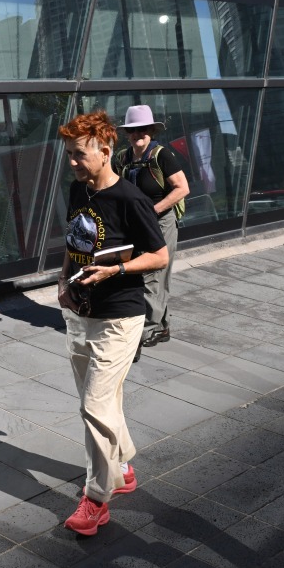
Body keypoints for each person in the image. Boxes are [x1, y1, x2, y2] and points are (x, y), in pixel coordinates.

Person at [57, 110, 168, 536]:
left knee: (93, 406)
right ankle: (122, 468)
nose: (72, 163)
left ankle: (97, 499)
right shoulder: (78, 190)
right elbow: (73, 239)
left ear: (105, 151)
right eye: (68, 155)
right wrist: (62, 280)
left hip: (119, 317)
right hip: (80, 313)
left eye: (78, 155)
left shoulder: (130, 199)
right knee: (103, 401)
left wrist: (116, 272)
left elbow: (159, 256)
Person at [116, 105, 189, 349]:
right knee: (149, 274)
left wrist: (153, 210)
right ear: (128, 133)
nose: (138, 134)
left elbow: (182, 188)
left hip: (161, 221)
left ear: (151, 131)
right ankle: (162, 327)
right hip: (137, 223)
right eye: (134, 130)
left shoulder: (162, 155)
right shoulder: (123, 158)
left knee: (154, 275)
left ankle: (146, 329)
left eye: (143, 130)